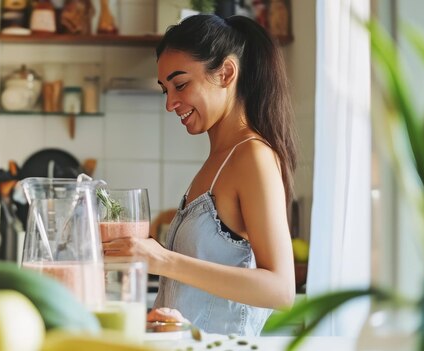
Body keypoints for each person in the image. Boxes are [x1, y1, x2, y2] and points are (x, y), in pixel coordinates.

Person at [102, 14, 297, 335]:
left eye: (180, 85)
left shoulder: (253, 156)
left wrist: (162, 260)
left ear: (226, 73)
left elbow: (280, 290)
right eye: (165, 90)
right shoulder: (217, 161)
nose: (170, 103)